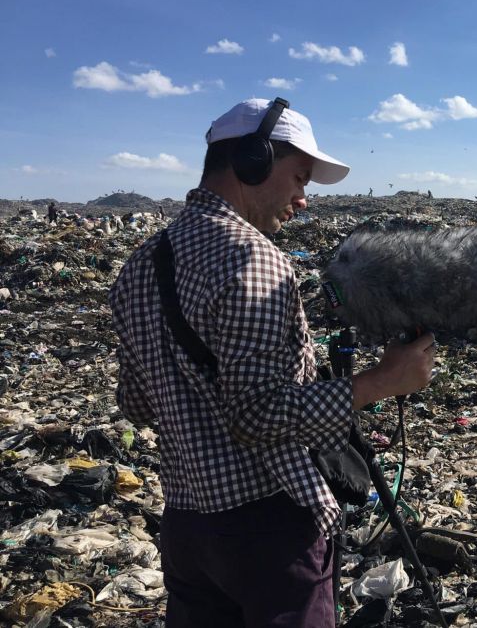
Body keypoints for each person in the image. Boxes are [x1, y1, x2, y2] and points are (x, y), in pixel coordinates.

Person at [110, 98, 435, 627]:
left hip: (187, 527)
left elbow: (138, 403)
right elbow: (257, 416)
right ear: (254, 162)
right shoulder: (254, 259)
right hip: (268, 530)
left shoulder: (141, 263)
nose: (304, 200)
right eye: (300, 178)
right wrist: (383, 380)